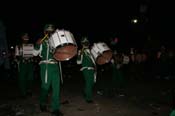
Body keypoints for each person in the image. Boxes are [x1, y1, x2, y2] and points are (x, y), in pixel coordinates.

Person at [33, 24, 63, 116]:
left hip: (55, 66)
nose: (50, 32)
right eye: (48, 31)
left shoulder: (56, 42)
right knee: (45, 87)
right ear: (44, 32)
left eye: (52, 31)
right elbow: (34, 53)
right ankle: (42, 102)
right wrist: (37, 45)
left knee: (56, 88)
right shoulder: (42, 41)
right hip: (45, 66)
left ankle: (55, 109)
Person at [77, 37, 96, 103]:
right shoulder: (81, 51)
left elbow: (94, 60)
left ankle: (85, 91)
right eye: (84, 43)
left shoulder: (91, 51)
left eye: (87, 42)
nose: (86, 44)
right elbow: (78, 62)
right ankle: (88, 98)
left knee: (92, 83)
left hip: (92, 69)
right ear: (82, 44)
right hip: (86, 69)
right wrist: (79, 55)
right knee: (88, 83)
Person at [15, 32, 34, 98]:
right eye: (25, 36)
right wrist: (18, 61)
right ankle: (23, 93)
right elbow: (16, 55)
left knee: (30, 77)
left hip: (30, 63)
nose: (26, 37)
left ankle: (29, 91)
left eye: (27, 36)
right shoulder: (18, 46)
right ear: (22, 37)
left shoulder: (31, 45)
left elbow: (34, 54)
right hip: (22, 64)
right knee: (22, 78)